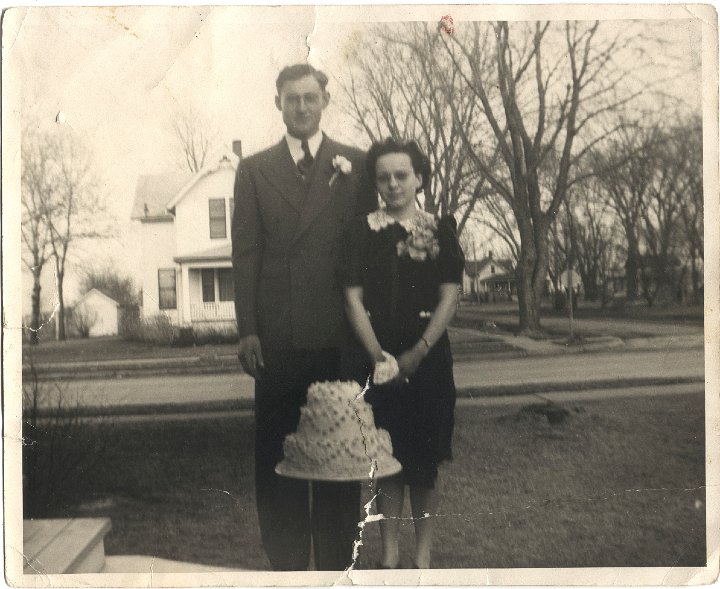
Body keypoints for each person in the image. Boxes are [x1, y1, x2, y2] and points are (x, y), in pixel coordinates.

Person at [231, 63, 376, 571]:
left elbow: (371, 249)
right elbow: (244, 254)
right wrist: (247, 328)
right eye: (291, 99)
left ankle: (338, 566)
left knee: (337, 456)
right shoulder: (253, 169)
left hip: (339, 340)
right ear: (278, 104)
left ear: (324, 101)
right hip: (277, 339)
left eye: (310, 97)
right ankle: (288, 567)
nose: (301, 107)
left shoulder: (356, 164)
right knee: (279, 456)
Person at [342, 138, 465, 569]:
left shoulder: (440, 230)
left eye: (401, 175)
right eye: (383, 177)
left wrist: (418, 351)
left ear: (419, 179)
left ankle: (423, 557)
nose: (392, 185)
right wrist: (379, 356)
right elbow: (353, 299)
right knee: (386, 460)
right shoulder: (361, 232)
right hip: (376, 359)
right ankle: (390, 557)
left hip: (428, 360)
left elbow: (450, 296)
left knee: (424, 462)